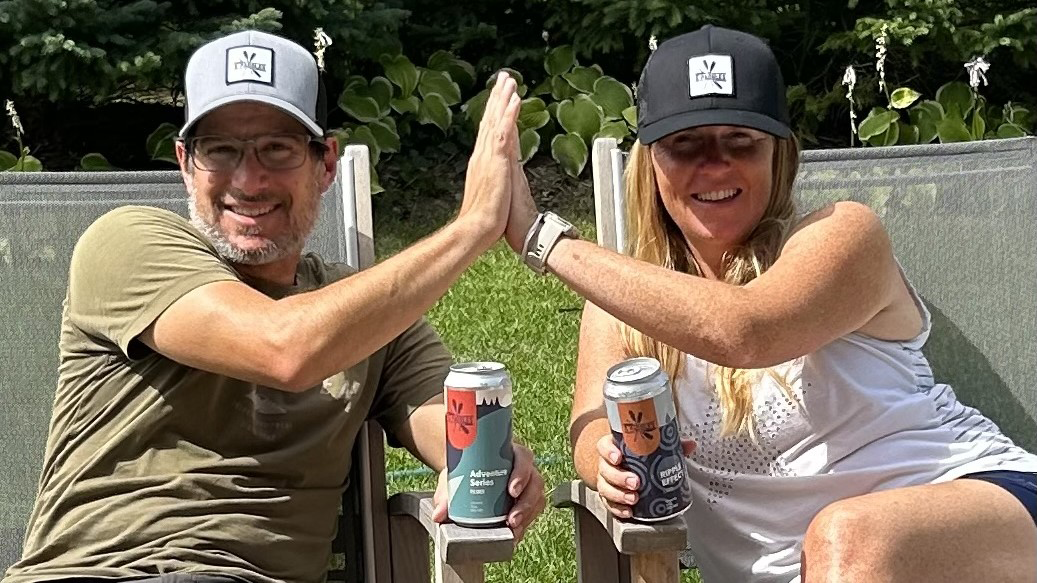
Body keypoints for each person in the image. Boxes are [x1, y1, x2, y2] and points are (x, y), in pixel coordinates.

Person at [494, 25, 1037, 583]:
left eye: (741, 141)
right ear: (649, 163)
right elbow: (589, 425)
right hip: (822, 569)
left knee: (847, 539)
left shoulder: (844, 235)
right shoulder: (621, 306)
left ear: (779, 156)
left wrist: (539, 237)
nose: (716, 163)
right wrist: (605, 461)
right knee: (843, 546)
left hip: (973, 507)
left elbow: (745, 332)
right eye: (686, 143)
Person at [4, 30, 544, 583]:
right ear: (186, 163)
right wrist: (473, 227)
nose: (248, 178)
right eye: (220, 149)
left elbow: (449, 422)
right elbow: (285, 348)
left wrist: (488, 462)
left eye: (278, 149)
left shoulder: (371, 319)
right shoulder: (127, 244)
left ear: (326, 164)